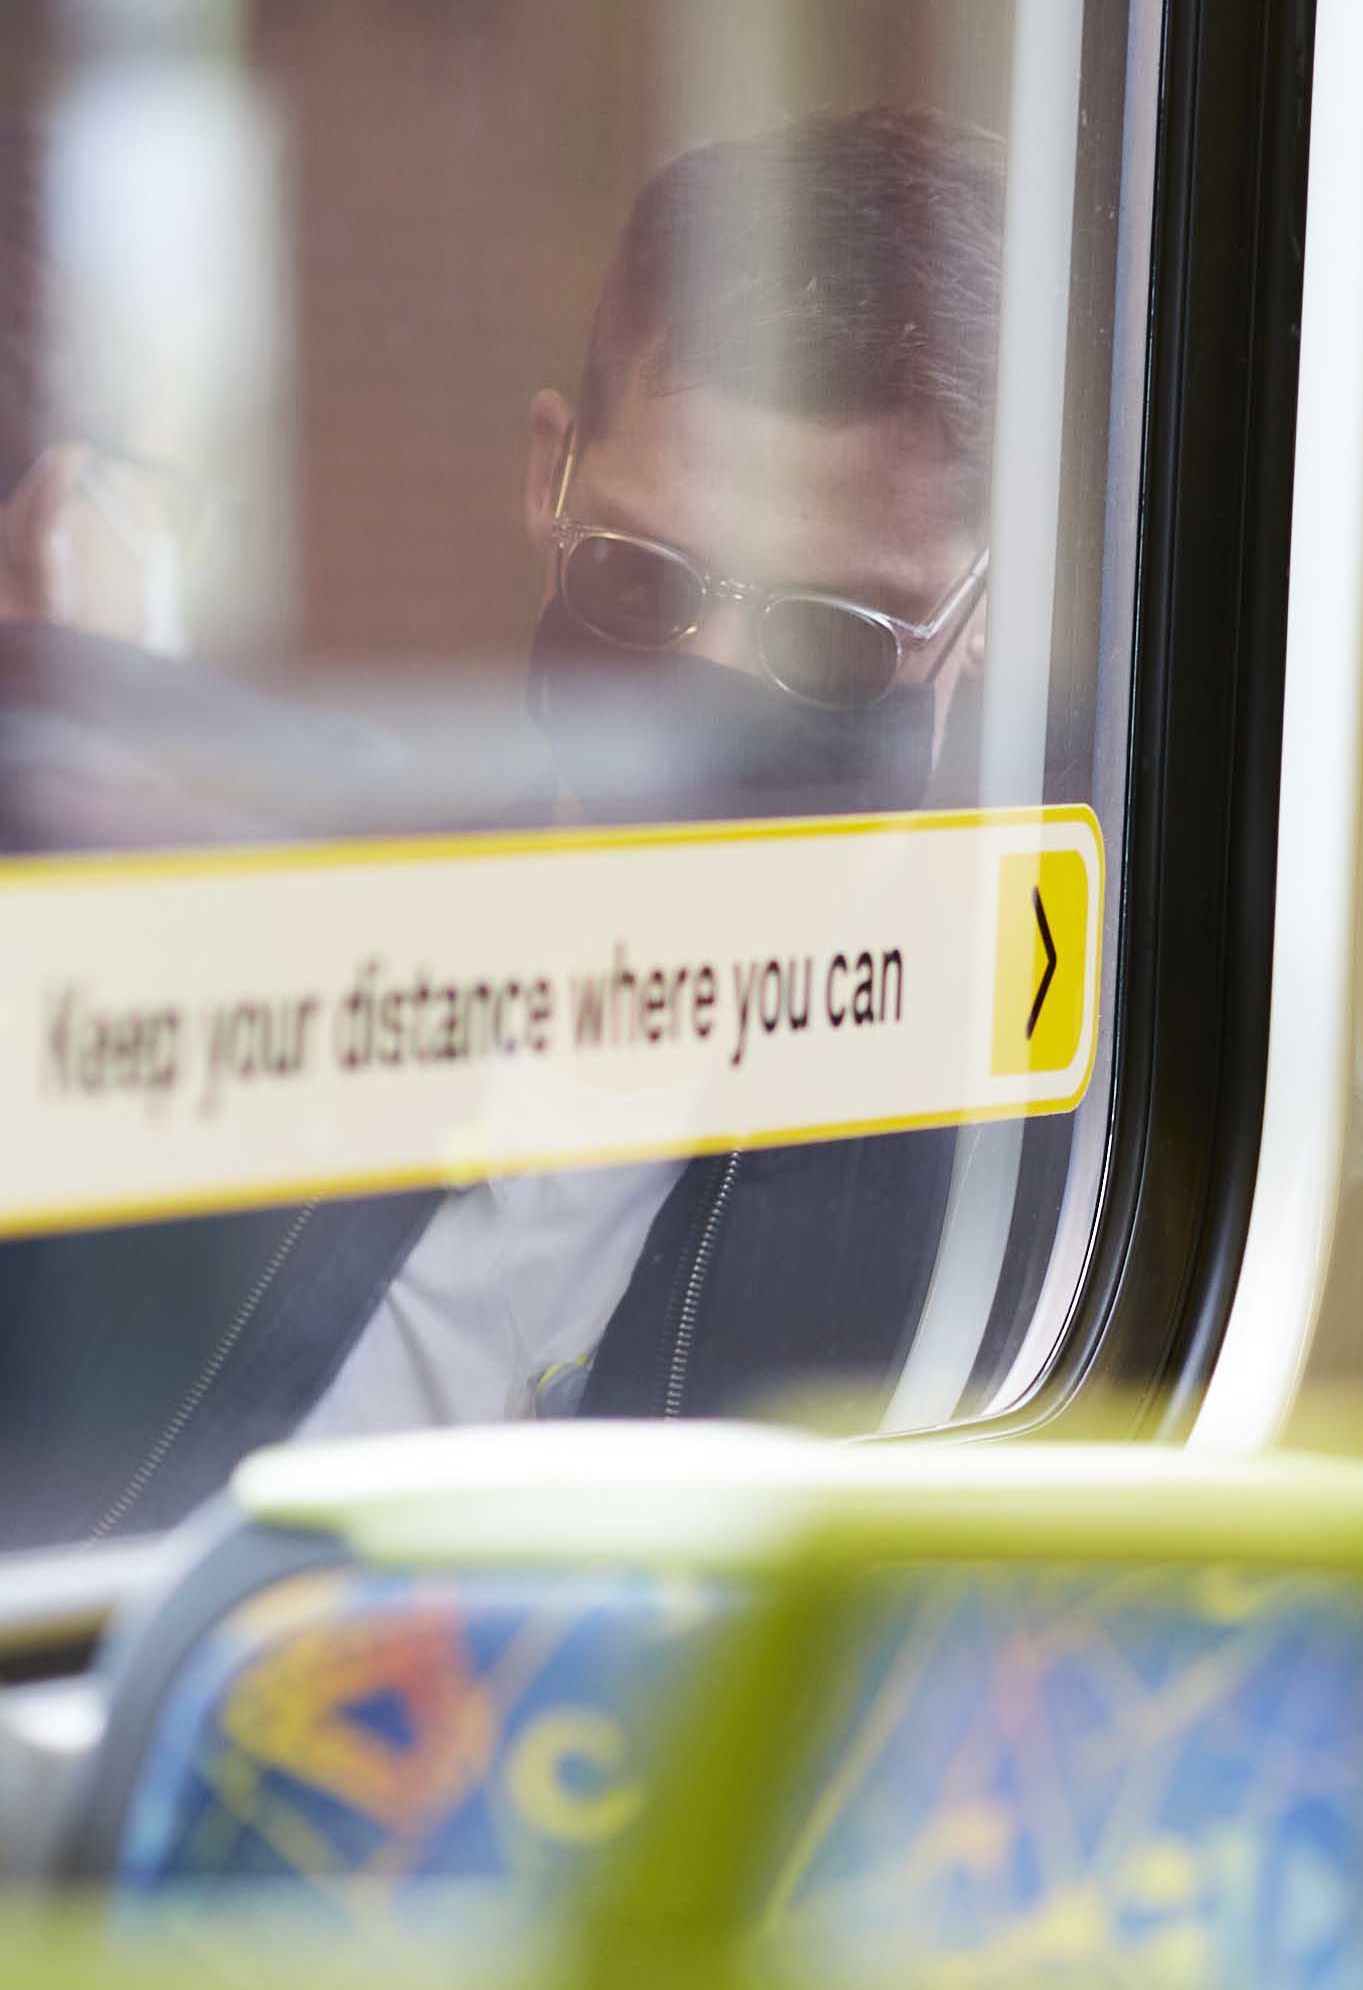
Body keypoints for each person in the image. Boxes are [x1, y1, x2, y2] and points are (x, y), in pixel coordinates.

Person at [0, 105, 1001, 1547]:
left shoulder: (1018, 1172)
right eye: (647, 583)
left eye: (831, 639)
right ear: (551, 478)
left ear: (980, 627)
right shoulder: (270, 953)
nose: (704, 706)